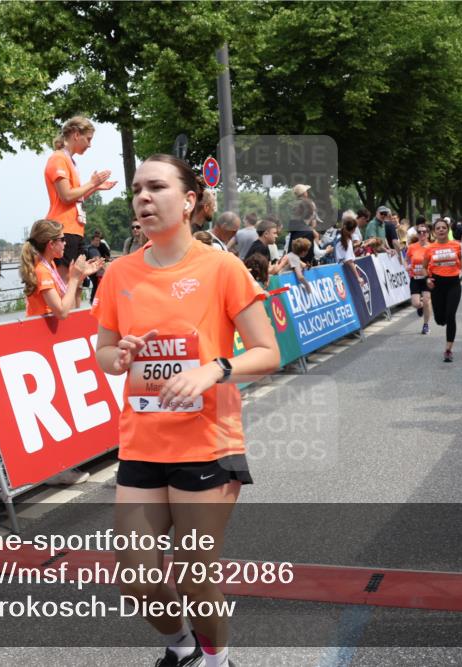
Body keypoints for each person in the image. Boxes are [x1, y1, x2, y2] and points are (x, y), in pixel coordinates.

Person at [91, 154, 280, 667]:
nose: (143, 197)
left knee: (196, 577)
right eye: (137, 189)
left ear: (190, 200)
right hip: (142, 445)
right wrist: (118, 357)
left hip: (207, 444)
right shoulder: (118, 273)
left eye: (156, 187)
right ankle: (182, 645)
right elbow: (104, 353)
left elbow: (268, 352)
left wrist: (215, 369)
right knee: (136, 576)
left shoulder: (222, 268)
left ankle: (218, 660)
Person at [20, 219, 104, 485]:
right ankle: (54, 468)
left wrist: (80, 277)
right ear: (50, 244)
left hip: (47, 342)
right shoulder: (42, 271)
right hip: (40, 343)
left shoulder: (50, 267)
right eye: (61, 240)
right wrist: (76, 277)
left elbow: (69, 301)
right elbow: (62, 311)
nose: (65, 244)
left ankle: (61, 464)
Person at [43, 116, 116, 277]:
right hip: (62, 230)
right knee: (66, 282)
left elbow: (75, 198)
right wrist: (92, 183)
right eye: (88, 139)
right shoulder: (58, 158)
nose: (90, 145)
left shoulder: (70, 161)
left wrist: (95, 187)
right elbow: (66, 196)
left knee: (77, 281)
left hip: (75, 230)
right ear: (76, 134)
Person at [423, 218, 462, 363]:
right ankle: (441, 319)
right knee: (440, 320)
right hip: (437, 285)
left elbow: (460, 260)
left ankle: (448, 350)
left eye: (444, 227)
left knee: (450, 316)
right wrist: (427, 279)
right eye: (438, 228)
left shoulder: (456, 245)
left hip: (453, 284)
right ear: (434, 232)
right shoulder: (430, 248)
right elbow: (424, 267)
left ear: (447, 230)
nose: (441, 230)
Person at [407, 216, 433, 335]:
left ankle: (426, 325)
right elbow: (406, 260)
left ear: (428, 233)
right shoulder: (412, 247)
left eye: (424, 232)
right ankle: (421, 306)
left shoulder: (432, 247)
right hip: (415, 278)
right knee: (416, 303)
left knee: (427, 300)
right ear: (417, 234)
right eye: (419, 232)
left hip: (427, 278)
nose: (422, 234)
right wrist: (407, 266)